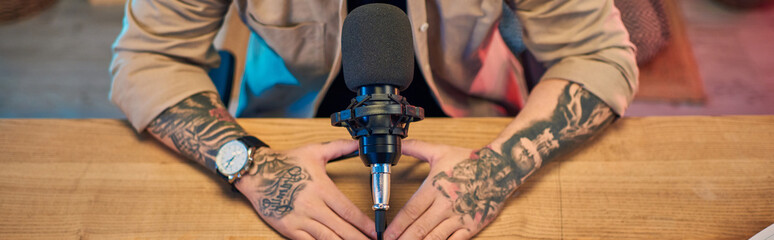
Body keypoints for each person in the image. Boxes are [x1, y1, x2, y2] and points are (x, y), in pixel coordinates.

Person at [110, 0, 637, 239]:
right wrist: (254, 167)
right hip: (278, 130)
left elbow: (599, 55)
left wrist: (496, 170)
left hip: (476, 126)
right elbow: (148, 58)